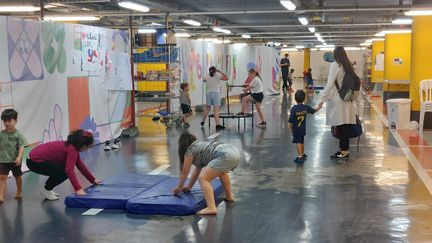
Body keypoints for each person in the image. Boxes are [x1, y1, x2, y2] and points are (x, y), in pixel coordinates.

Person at [173, 133, 240, 215]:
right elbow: (197, 170)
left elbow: (185, 172)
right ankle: (229, 196)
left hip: (225, 155)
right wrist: (189, 186)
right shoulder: (200, 147)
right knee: (222, 173)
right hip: (234, 151)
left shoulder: (189, 150)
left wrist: (179, 187)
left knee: (203, 179)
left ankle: (211, 208)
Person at [27, 130, 102, 200]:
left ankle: (47, 189)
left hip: (33, 159)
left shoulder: (72, 146)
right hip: (34, 162)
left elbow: (80, 165)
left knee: (61, 169)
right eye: (89, 146)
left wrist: (92, 179)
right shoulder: (72, 150)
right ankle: (46, 190)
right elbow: (69, 170)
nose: (88, 148)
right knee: (64, 172)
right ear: (83, 146)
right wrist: (78, 188)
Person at [317, 47, 358, 159]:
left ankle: (344, 151)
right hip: (348, 99)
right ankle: (344, 150)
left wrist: (321, 101)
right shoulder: (349, 65)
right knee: (345, 125)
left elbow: (330, 84)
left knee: (341, 126)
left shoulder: (336, 65)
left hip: (338, 100)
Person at [0, 109, 27, 203]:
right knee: (2, 177)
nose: (7, 123)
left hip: (15, 160)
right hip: (3, 160)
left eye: (9, 121)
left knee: (17, 176)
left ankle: (19, 191)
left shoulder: (18, 134)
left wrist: (19, 157)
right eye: (5, 121)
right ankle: (1, 196)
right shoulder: (1, 134)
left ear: (15, 121)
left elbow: (21, 146)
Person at [289, 90, 320, 163]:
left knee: (298, 142)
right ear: (304, 98)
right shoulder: (305, 107)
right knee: (302, 141)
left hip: (296, 129)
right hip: (303, 128)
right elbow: (313, 111)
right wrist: (319, 107)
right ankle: (302, 154)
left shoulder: (294, 109)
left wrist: (291, 129)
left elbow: (290, 122)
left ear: (295, 98)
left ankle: (299, 156)